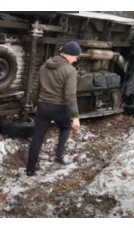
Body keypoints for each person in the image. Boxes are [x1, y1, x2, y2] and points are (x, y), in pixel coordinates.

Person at [26, 41, 81, 176]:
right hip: (59, 108)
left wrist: (35, 104)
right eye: (76, 56)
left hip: (43, 106)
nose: (76, 60)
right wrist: (75, 117)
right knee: (65, 127)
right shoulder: (70, 70)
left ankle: (30, 169)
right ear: (69, 55)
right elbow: (70, 95)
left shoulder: (45, 66)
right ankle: (58, 155)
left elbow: (36, 88)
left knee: (37, 137)